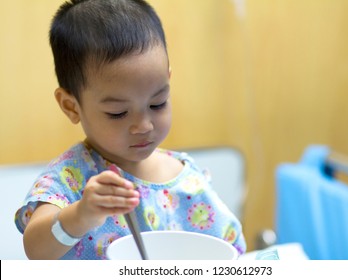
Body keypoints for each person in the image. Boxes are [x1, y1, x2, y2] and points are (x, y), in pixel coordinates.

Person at [14, 0, 246, 260]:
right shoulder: (71, 179)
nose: (144, 126)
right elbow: (36, 250)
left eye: (157, 104)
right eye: (118, 113)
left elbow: (232, 249)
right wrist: (81, 215)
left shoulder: (187, 179)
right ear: (72, 106)